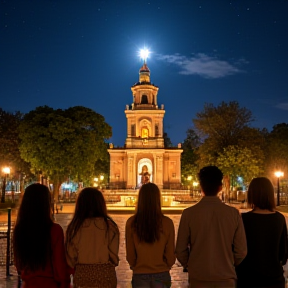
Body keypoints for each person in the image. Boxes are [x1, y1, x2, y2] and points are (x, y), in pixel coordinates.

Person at [175, 166, 247, 288]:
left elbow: (180, 250)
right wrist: (228, 264)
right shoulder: (233, 214)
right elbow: (241, 251)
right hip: (225, 278)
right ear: (220, 187)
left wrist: (191, 265)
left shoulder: (189, 213)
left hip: (198, 278)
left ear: (201, 186)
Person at [13, 183, 70, 288]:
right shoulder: (54, 230)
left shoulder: (19, 230)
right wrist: (65, 282)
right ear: (46, 204)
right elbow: (59, 265)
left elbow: (18, 264)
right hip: (50, 283)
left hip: (28, 284)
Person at [236, 177, 288, 288]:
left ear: (251, 195)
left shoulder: (243, 219)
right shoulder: (279, 218)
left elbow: (237, 250)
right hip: (274, 278)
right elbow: (283, 254)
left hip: (247, 277)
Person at [65, 187, 119, 288]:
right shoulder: (110, 226)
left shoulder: (75, 228)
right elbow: (114, 257)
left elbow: (70, 259)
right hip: (105, 276)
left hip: (83, 277)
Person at [125, 183, 175, 288]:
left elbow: (130, 255)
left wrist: (137, 266)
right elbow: (170, 255)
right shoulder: (167, 223)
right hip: (162, 273)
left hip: (140, 273)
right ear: (158, 199)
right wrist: (164, 266)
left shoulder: (131, 223)